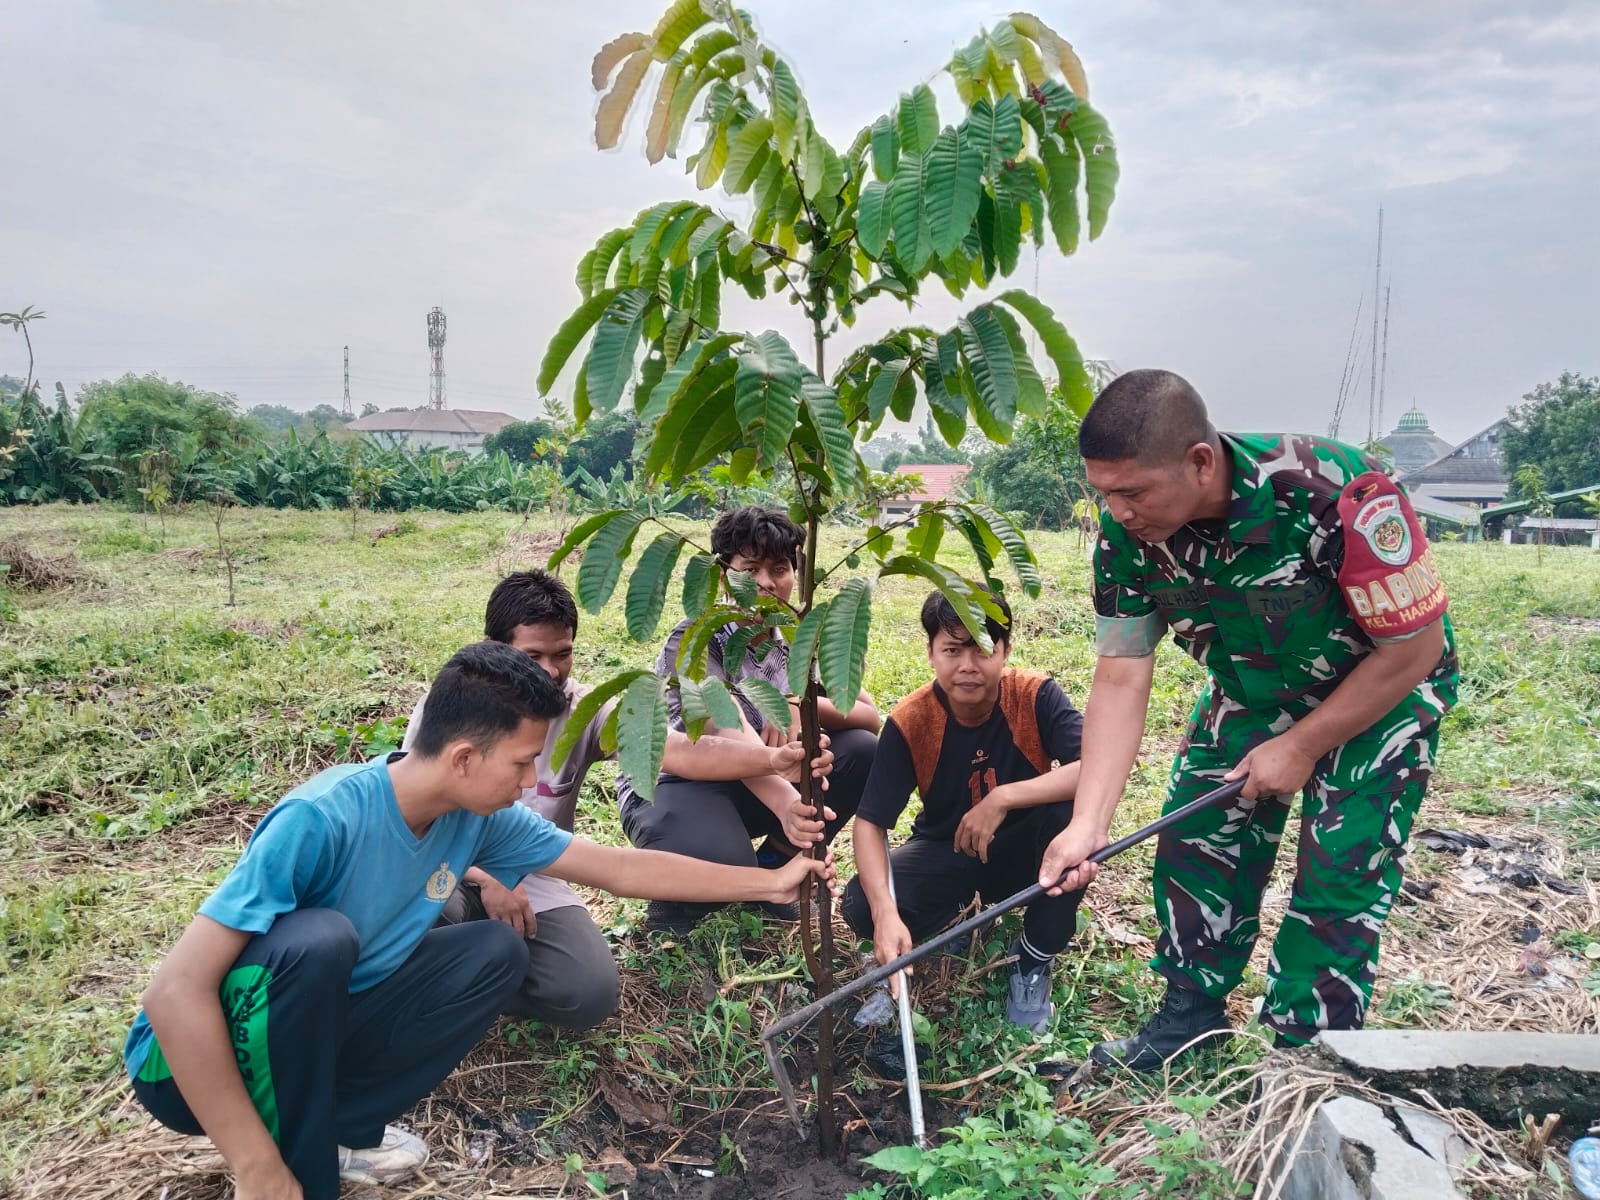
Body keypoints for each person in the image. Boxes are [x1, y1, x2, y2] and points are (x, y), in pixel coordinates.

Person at [125, 641, 835, 1200]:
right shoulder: (323, 818)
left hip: (324, 1032)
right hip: (198, 1065)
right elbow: (173, 995)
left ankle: (337, 1130)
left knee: (494, 950)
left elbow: (619, 869)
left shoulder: (474, 822)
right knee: (320, 940)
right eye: (523, 763)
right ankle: (293, 1160)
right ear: (464, 757)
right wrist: (254, 1166)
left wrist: (770, 879)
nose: (532, 785)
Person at [1039, 369, 1457, 1068]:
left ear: (1201, 462)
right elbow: (1119, 675)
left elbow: (1416, 647)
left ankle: (1307, 1055)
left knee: (1339, 868)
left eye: (1132, 491)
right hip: (1252, 689)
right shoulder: (1126, 539)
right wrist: (1087, 823)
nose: (1116, 512)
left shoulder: (1336, 491)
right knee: (1196, 835)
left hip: (1381, 691)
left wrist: (1303, 745)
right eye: (1102, 493)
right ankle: (1189, 1019)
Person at [400, 570, 831, 1029]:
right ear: (494, 646)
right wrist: (487, 877)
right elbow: (415, 824)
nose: (549, 671)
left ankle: (484, 975)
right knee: (434, 907)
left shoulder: (581, 709)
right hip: (446, 862)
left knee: (587, 992)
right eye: (533, 655)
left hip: (538, 871)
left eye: (562, 654)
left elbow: (674, 760)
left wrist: (771, 761)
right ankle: (424, 981)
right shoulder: (450, 711)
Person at [618, 506, 881, 933]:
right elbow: (728, 728)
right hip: (677, 785)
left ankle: (777, 860)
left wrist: (795, 702)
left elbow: (868, 715)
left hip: (752, 777)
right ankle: (676, 902)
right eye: (750, 568)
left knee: (861, 751)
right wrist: (786, 804)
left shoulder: (794, 636)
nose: (765, 583)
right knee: (724, 858)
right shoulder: (697, 637)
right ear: (723, 575)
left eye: (779, 568)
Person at [842, 590, 1085, 1033]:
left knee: (1076, 822)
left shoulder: (1035, 696)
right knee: (861, 900)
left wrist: (1004, 798)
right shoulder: (910, 721)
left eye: (983, 649)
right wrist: (884, 913)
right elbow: (870, 823)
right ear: (931, 653)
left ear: (1006, 650)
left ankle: (1032, 960)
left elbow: (1094, 768)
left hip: (1032, 854)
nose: (968, 666)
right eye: (952, 650)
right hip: (949, 850)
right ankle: (938, 935)